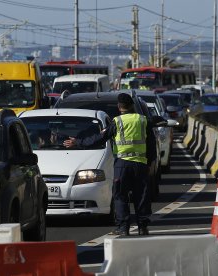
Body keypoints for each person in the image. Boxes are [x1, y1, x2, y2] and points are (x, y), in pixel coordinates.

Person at [63, 93, 155, 236]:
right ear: (132, 105)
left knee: (120, 195)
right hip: (141, 164)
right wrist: (150, 162)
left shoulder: (117, 122)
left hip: (122, 165)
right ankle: (143, 227)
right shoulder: (143, 120)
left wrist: (78, 142)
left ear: (119, 107)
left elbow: (99, 138)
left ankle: (123, 228)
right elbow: (151, 144)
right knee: (141, 196)